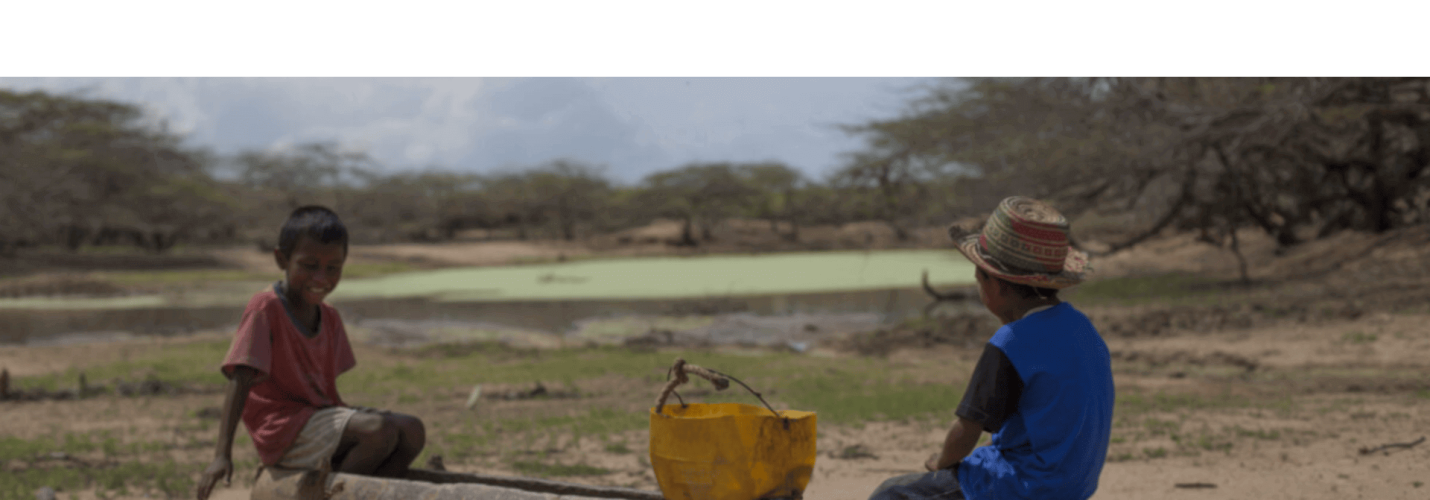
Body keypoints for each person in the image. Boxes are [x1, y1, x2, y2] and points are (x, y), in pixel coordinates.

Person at [869, 196, 1114, 500]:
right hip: (1075, 484)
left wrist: (939, 463)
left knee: (892, 493)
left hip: (1026, 485)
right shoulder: (1082, 327)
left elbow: (967, 430)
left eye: (978, 280)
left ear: (997, 285)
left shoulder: (1012, 341)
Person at [196, 206, 426, 500]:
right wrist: (221, 455)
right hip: (282, 429)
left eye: (332, 268)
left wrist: (347, 417)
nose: (321, 278)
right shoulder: (265, 307)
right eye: (309, 265)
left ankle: (359, 491)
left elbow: (321, 390)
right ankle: (331, 495)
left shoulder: (329, 317)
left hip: (318, 418)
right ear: (282, 259)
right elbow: (240, 379)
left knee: (412, 430)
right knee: (378, 430)